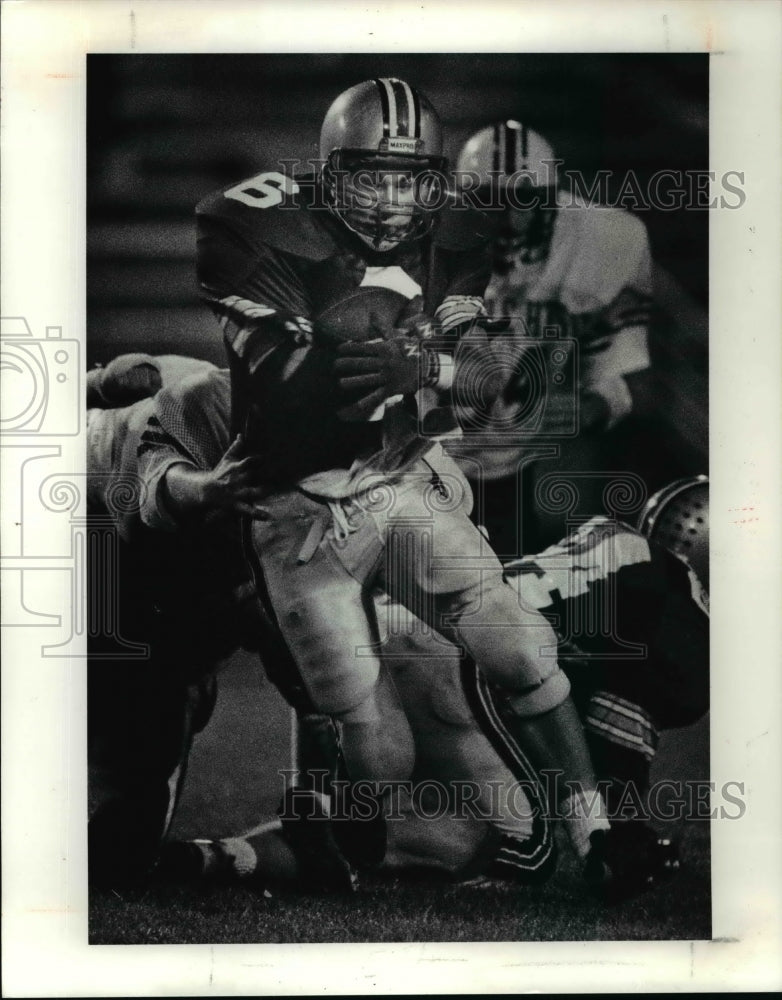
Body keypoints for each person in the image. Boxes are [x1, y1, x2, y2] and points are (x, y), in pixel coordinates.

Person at [195, 78, 616, 875]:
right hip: (300, 510)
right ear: (327, 172)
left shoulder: (456, 231)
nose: (392, 201)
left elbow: (510, 377)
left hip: (396, 481)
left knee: (522, 645)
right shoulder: (252, 225)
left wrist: (424, 361)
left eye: (409, 179)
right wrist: (398, 356)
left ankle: (596, 830)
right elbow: (310, 389)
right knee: (378, 748)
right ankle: (336, 829)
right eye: (372, 177)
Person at [449, 120, 653, 554]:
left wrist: (587, 409)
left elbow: (629, 377)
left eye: (522, 200)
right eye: (485, 202)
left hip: (528, 455)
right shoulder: (428, 242)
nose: (505, 218)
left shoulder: (603, 240)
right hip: (432, 457)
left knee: (557, 539)